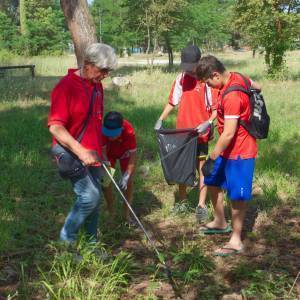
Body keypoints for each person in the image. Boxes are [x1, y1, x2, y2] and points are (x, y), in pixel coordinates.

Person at [48, 43, 117, 244]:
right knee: (90, 196)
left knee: (95, 201)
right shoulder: (66, 87)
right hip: (69, 153)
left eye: (108, 71)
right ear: (87, 64)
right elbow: (55, 127)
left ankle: (91, 244)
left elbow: (96, 122)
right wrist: (82, 151)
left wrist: (101, 152)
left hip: (93, 154)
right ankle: (65, 242)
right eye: (102, 70)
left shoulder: (97, 87)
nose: (105, 75)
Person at [195, 55, 261, 256]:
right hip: (227, 148)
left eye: (208, 82)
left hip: (240, 151)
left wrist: (212, 156)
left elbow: (230, 133)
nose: (209, 87)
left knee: (237, 197)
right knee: (213, 181)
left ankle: (236, 240)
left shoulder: (232, 96)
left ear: (215, 74)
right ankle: (220, 221)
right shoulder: (238, 76)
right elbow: (258, 87)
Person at [154, 45, 217, 221]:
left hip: (201, 134)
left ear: (199, 63)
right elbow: (172, 102)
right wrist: (160, 119)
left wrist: (208, 122)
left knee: (202, 168)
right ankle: (182, 202)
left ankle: (201, 205)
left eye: (191, 67)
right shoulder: (181, 78)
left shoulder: (207, 81)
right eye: (186, 67)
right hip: (182, 133)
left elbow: (216, 109)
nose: (188, 71)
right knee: (181, 166)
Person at [101, 111, 137, 223]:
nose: (110, 136)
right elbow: (102, 152)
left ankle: (126, 214)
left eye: (114, 134)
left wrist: (126, 175)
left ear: (121, 129)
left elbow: (132, 156)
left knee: (129, 181)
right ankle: (111, 212)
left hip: (124, 153)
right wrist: (106, 165)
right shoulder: (101, 131)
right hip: (108, 153)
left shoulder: (128, 131)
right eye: (108, 133)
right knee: (105, 182)